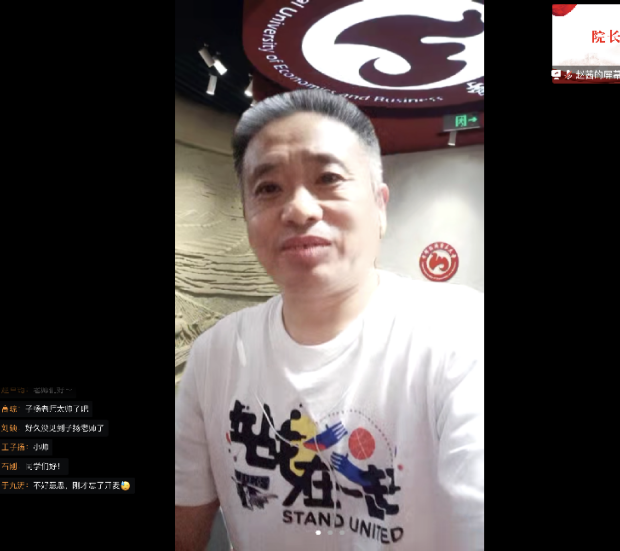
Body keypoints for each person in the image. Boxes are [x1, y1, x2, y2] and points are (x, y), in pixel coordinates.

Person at [175, 89, 484, 551]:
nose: (299, 209)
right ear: (247, 216)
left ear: (379, 206)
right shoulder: (214, 355)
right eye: (268, 188)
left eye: (329, 178)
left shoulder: (462, 333)